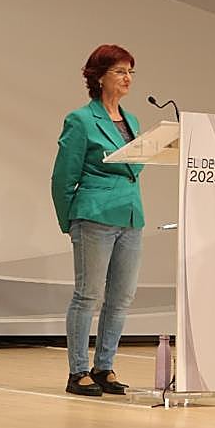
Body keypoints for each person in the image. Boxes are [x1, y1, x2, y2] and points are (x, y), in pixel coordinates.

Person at [51, 44, 145, 396]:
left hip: (130, 214)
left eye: (131, 72)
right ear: (99, 76)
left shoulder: (133, 120)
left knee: (121, 297)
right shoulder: (81, 119)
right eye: (120, 71)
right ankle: (78, 372)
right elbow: (63, 177)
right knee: (87, 295)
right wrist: (70, 220)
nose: (127, 78)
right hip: (94, 214)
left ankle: (104, 366)